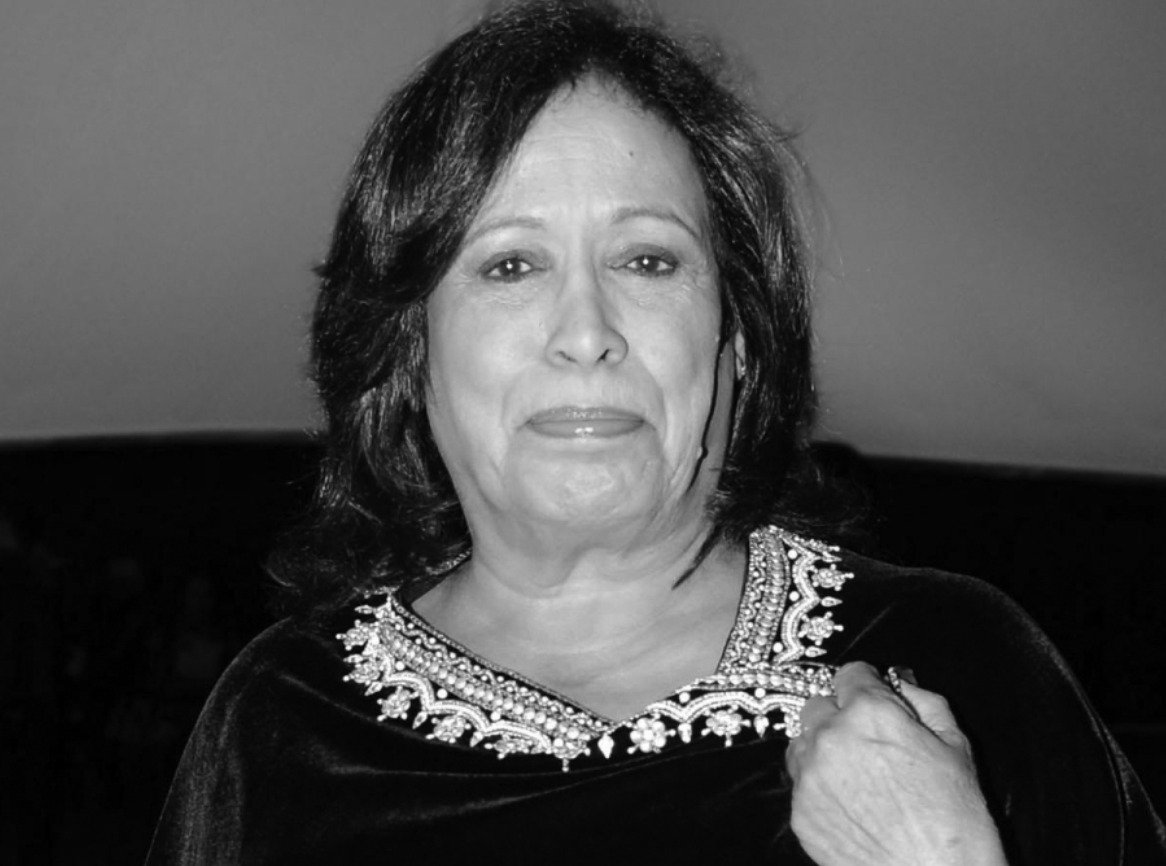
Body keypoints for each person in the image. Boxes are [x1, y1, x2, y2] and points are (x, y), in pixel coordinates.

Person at [147, 2, 1166, 863]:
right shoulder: (280, 724)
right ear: (408, 351)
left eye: (647, 260)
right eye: (510, 265)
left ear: (736, 339)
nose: (586, 331)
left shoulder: (960, 662)